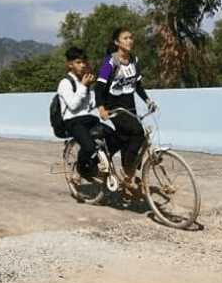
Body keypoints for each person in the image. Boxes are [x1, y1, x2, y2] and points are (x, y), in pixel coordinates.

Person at [95, 27, 156, 192]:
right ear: (117, 42)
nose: (130, 41)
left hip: (130, 106)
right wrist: (101, 108)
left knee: (127, 141)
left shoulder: (135, 61)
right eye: (125, 38)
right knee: (138, 133)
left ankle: (127, 185)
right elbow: (99, 88)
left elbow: (138, 86)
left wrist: (147, 100)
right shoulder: (110, 63)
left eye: (131, 38)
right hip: (114, 108)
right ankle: (127, 173)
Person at [58, 46, 112, 180]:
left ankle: (97, 166)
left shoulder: (84, 81)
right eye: (78, 62)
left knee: (114, 138)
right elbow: (73, 105)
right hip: (73, 122)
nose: (82, 65)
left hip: (88, 119)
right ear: (70, 64)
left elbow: (89, 105)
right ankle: (82, 169)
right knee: (89, 148)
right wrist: (83, 86)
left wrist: (106, 105)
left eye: (83, 62)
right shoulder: (65, 83)